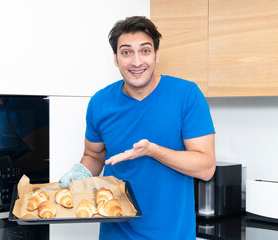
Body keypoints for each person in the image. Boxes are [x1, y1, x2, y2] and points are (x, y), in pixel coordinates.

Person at [59, 16, 215, 239]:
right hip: (116, 234)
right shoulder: (100, 103)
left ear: (156, 54)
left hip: (172, 234)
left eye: (145, 51)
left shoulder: (187, 96)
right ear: (115, 58)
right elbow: (94, 154)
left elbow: (206, 167)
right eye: (126, 52)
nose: (136, 62)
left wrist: (153, 151)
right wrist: (80, 173)